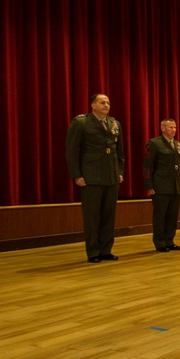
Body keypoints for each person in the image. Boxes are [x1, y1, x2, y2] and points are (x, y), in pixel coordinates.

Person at [65, 93, 125, 263]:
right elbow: (71, 151)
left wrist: (120, 171)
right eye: (102, 102)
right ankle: (93, 252)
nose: (106, 105)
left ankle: (106, 250)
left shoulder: (114, 123)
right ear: (93, 105)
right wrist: (76, 175)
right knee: (92, 216)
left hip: (111, 176)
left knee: (108, 215)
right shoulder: (81, 122)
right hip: (91, 176)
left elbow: (120, 151)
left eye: (108, 102)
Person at [143, 117, 180, 252]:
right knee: (160, 216)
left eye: (175, 127)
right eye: (170, 127)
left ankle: (169, 240)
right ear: (162, 128)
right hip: (160, 186)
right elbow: (147, 166)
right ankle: (160, 242)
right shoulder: (154, 143)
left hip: (175, 186)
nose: (173, 130)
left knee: (172, 215)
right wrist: (149, 186)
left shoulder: (177, 144)